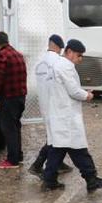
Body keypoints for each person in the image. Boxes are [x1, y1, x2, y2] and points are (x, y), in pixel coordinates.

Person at [41, 39, 102, 192]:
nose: (80, 59)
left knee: (58, 149)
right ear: (69, 52)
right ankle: (91, 179)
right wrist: (87, 95)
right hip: (66, 116)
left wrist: (82, 92)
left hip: (60, 113)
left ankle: (49, 180)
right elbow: (73, 91)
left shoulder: (56, 65)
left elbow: (66, 88)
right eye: (79, 55)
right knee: (77, 149)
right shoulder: (65, 66)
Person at [28, 34, 73, 176]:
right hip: (56, 106)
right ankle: (37, 165)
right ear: (57, 46)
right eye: (61, 48)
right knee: (57, 137)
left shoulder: (40, 62)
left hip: (44, 104)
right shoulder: (59, 62)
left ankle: (58, 163)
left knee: (53, 135)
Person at [0, 31, 27, 169]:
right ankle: (18, 155)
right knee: (16, 126)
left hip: (9, 97)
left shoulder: (2, 56)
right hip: (20, 97)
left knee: (8, 129)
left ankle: (12, 160)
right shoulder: (18, 54)